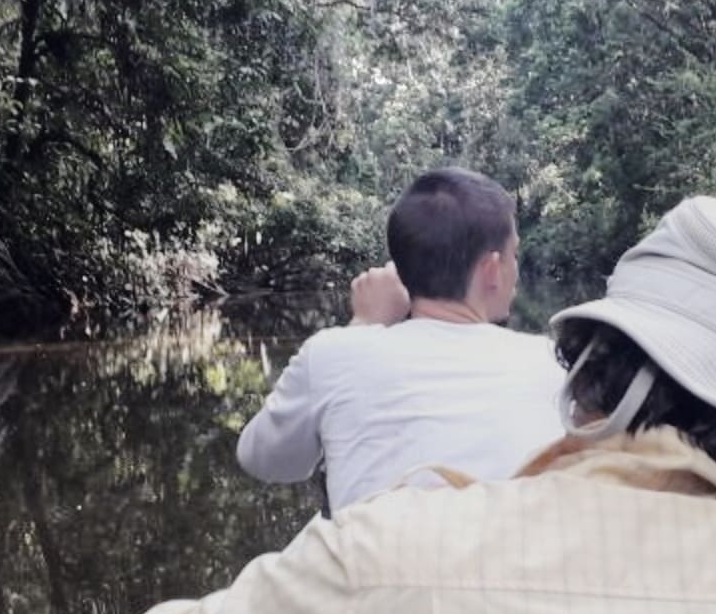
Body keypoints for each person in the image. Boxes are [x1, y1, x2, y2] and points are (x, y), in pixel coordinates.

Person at [88, 195, 716, 614]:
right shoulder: (527, 361)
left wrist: (360, 330)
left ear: (587, 378)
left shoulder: (375, 554)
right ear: (494, 267)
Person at [237, 167, 565, 510]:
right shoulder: (553, 362)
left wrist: (363, 322)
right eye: (514, 254)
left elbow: (261, 459)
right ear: (492, 270)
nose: (516, 268)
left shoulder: (332, 353)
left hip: (377, 561)